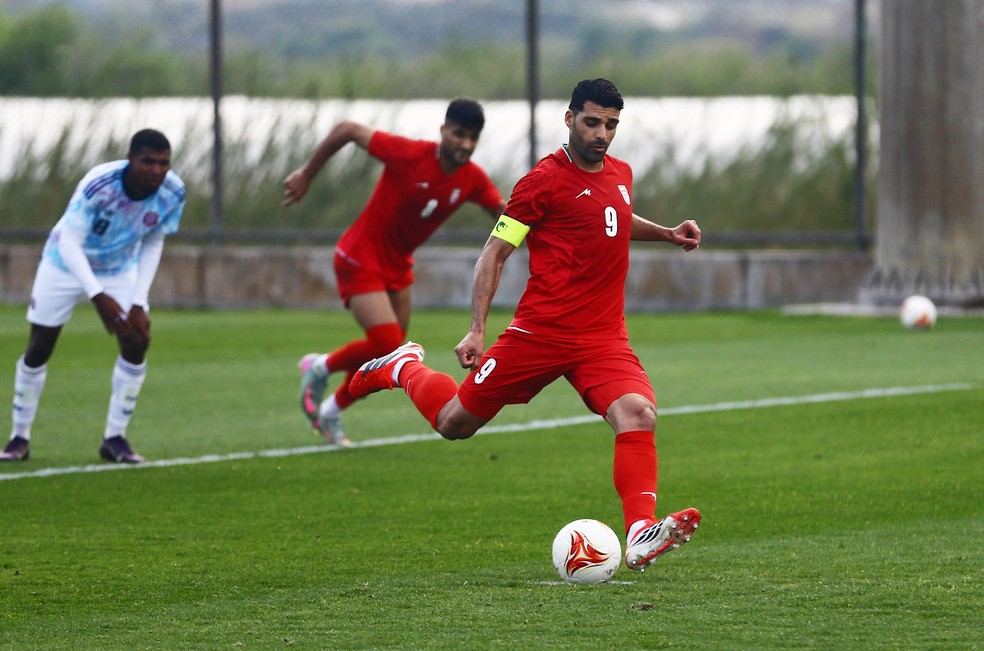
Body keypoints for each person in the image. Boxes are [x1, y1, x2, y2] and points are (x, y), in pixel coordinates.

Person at [348, 79, 702, 572]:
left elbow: (612, 216)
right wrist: (477, 328)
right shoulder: (542, 181)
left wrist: (664, 233)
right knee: (454, 424)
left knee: (638, 413)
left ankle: (640, 530)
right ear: (570, 118)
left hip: (602, 338)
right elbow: (495, 253)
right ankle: (403, 366)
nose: (602, 134)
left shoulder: (621, 173)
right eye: (593, 121)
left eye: (612, 124)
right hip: (540, 334)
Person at [283, 98, 505, 447]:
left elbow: (503, 212)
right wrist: (306, 174)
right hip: (360, 256)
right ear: (443, 131)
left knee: (386, 353)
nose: (465, 144)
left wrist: (547, 233)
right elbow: (347, 129)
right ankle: (322, 367)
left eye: (472, 138)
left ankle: (330, 411)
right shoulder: (409, 154)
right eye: (459, 134)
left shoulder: (472, 178)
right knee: (390, 346)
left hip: (398, 265)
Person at [1, 129, 185, 464]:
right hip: (64, 263)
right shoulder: (99, 184)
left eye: (163, 163)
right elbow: (70, 242)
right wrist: (98, 297)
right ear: (131, 159)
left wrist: (138, 301)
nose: (157, 170)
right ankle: (19, 438)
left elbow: (154, 239)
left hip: (118, 268)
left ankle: (114, 438)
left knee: (137, 339)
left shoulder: (173, 191)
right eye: (148, 161)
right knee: (39, 347)